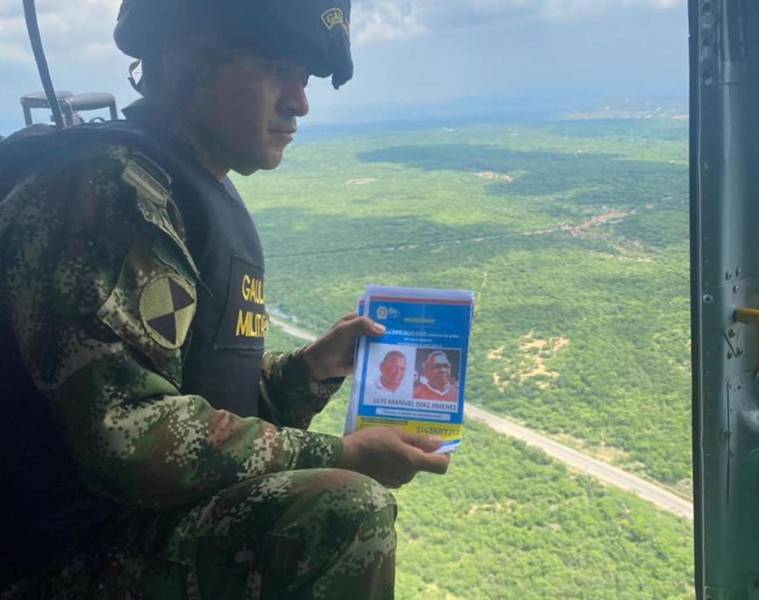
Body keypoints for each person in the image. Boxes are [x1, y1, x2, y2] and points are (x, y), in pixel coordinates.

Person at [0, 1, 449, 598]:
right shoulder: (111, 192)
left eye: (306, 79)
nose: (300, 102)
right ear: (187, 60)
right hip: (60, 560)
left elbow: (195, 397)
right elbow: (128, 435)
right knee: (342, 512)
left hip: (122, 533)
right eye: (275, 69)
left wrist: (308, 371)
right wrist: (343, 454)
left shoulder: (172, 186)